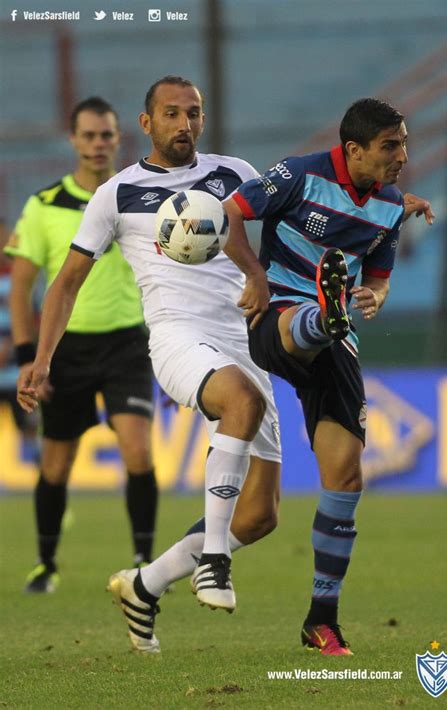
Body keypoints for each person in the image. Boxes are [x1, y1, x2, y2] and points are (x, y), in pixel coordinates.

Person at [17, 77, 282, 652]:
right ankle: (212, 559)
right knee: (242, 401)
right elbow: (65, 285)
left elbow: (289, 214)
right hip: (176, 337)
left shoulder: (233, 173)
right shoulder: (117, 193)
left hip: (243, 341)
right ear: (147, 123)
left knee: (260, 515)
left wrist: (385, 209)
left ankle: (145, 584)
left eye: (193, 113)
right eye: (171, 114)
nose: (183, 124)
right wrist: (40, 359)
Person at [223, 97, 434, 655]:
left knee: (345, 479)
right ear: (354, 149)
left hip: (340, 335)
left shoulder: (390, 206)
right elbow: (231, 212)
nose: (403, 156)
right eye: (391, 146)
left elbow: (383, 278)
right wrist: (253, 275)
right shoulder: (298, 174)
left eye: (405, 144)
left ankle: (321, 620)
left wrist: (375, 294)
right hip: (276, 315)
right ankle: (323, 311)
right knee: (302, 323)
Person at [6, 97, 159, 593]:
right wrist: (31, 355)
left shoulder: (139, 195)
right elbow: (23, 285)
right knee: (56, 463)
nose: (98, 144)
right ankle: (46, 564)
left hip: (128, 343)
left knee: (138, 450)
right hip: (66, 349)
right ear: (73, 140)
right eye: (89, 135)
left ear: (120, 139)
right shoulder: (45, 205)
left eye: (107, 135)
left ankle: (144, 561)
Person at [0, 218, 40, 462]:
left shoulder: (20, 277)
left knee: (29, 429)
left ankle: (46, 487)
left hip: (16, 371)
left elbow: (34, 321)